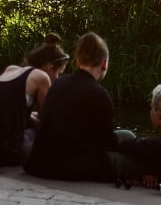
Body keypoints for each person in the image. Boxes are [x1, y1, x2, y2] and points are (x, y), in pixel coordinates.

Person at [25, 32, 132, 184]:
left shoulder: (58, 84)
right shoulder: (99, 94)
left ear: (78, 60)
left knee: (125, 135)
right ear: (104, 64)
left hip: (40, 165)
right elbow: (107, 142)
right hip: (71, 169)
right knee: (129, 143)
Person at [0, 33, 70, 168]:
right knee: (49, 134)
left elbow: (6, 110)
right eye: (58, 73)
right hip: (5, 149)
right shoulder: (41, 77)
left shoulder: (11, 69)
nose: (58, 78)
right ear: (50, 67)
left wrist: (29, 116)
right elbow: (48, 121)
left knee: (33, 125)